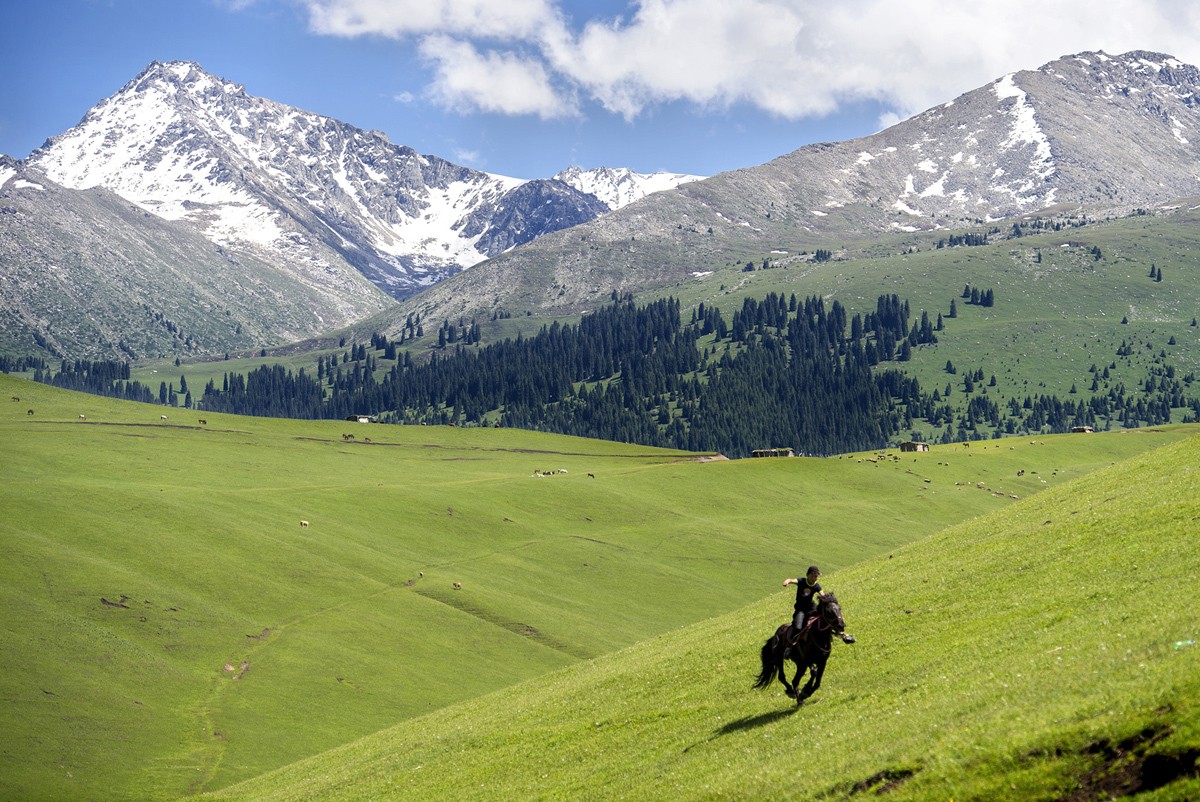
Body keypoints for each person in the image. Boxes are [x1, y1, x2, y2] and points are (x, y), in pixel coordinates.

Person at [783, 565, 855, 643]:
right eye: (813, 576)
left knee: (825, 619)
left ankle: (843, 635)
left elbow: (822, 595)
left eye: (816, 576)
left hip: (811, 606)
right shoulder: (801, 581)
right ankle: (791, 645)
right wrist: (787, 582)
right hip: (800, 608)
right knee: (797, 626)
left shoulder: (816, 586)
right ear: (807, 575)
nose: (814, 578)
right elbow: (791, 580)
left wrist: (827, 600)